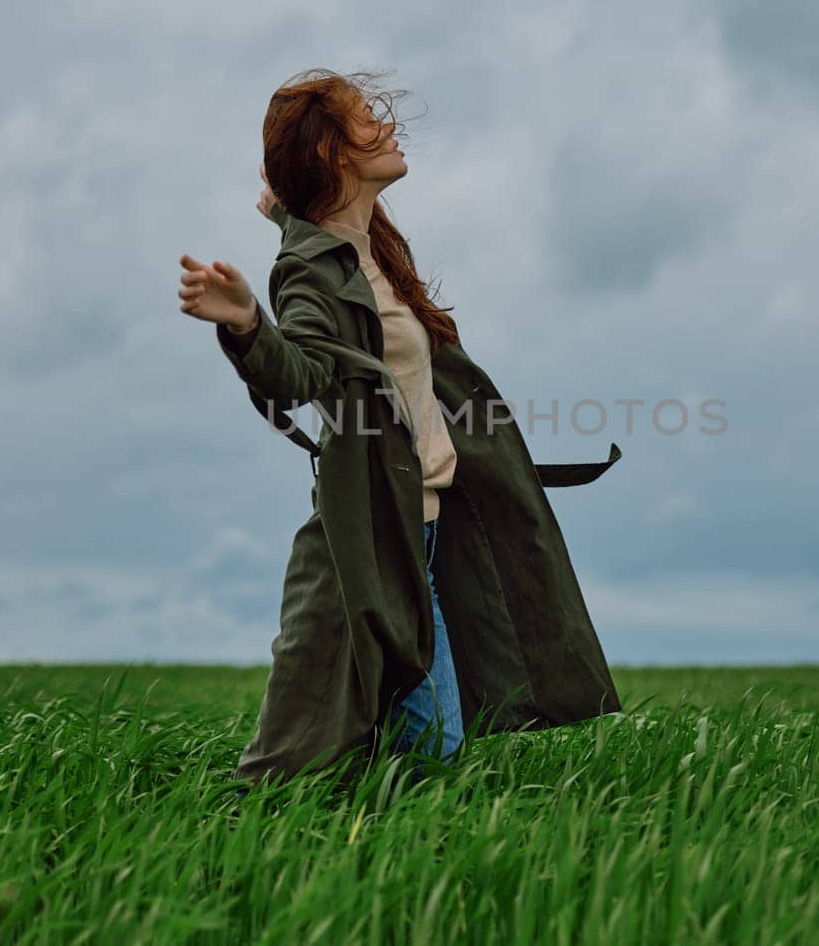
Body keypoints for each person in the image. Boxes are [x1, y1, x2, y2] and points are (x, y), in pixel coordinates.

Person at [178, 68, 623, 788]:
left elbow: (325, 240)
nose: (387, 126)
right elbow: (302, 370)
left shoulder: (368, 249)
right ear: (333, 153)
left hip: (425, 531)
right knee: (418, 753)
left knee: (429, 744)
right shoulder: (306, 271)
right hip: (378, 536)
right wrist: (248, 324)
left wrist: (287, 214)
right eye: (365, 118)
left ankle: (368, 832)